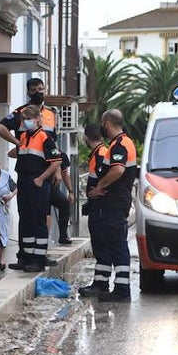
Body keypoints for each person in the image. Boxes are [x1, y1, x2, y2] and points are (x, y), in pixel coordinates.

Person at [87, 109, 139, 302]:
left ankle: (122, 290)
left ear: (107, 123)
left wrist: (100, 186)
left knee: (117, 245)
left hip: (115, 203)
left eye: (102, 122)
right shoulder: (122, 143)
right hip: (116, 202)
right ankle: (112, 286)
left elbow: (117, 169)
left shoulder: (119, 144)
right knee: (113, 243)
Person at [10, 105, 62, 272]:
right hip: (24, 182)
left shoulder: (45, 137)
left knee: (38, 220)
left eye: (29, 118)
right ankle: (26, 258)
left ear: (39, 119)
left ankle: (38, 260)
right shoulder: (24, 137)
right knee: (26, 220)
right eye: (24, 119)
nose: (26, 122)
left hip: (37, 184)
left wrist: (41, 178)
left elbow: (56, 161)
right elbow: (15, 154)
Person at [78, 122, 111, 297]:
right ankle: (100, 282)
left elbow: (102, 180)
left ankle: (101, 284)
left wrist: (95, 198)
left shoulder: (100, 154)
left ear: (86, 137)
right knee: (100, 247)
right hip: (97, 207)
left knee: (101, 247)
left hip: (100, 208)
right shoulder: (100, 153)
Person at [0, 76, 59, 146]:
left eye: (40, 89)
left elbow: (53, 140)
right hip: (27, 155)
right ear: (28, 94)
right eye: (33, 90)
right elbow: (0, 127)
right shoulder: (21, 112)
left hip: (46, 155)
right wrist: (17, 142)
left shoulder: (50, 114)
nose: (37, 92)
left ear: (45, 91)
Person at [48, 153, 75, 245]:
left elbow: (65, 173)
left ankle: (63, 235)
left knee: (65, 204)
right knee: (45, 213)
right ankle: (43, 238)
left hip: (52, 188)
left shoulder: (60, 155)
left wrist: (70, 191)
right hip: (41, 186)